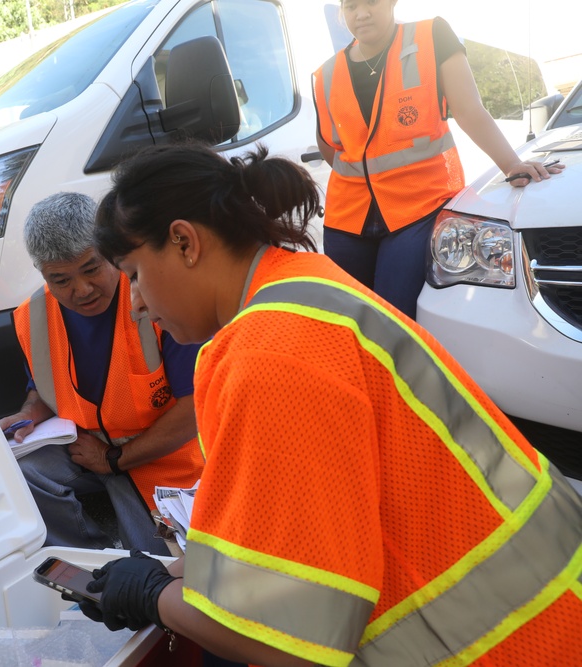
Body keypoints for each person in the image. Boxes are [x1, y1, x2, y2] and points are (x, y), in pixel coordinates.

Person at [72, 141, 582, 666]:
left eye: (133, 274)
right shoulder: (301, 284)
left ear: (184, 242)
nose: (134, 304)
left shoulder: (270, 354)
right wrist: (181, 574)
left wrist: (154, 598)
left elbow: (291, 645)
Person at [313, 0, 565, 319]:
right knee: (346, 321)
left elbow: (469, 110)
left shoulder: (431, 36)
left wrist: (511, 164)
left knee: (394, 320)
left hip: (416, 209)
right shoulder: (325, 74)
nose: (361, 14)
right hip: (347, 220)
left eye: (371, 2)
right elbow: (330, 145)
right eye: (351, 6)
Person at [0, 191, 204, 557]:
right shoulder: (34, 317)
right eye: (60, 280)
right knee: (21, 471)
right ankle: (88, 562)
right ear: (43, 273)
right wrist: (29, 415)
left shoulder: (155, 292)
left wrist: (114, 460)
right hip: (86, 450)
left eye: (92, 268)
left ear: (111, 251)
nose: (81, 290)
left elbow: (194, 410)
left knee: (159, 564)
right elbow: (43, 390)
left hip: (164, 459)